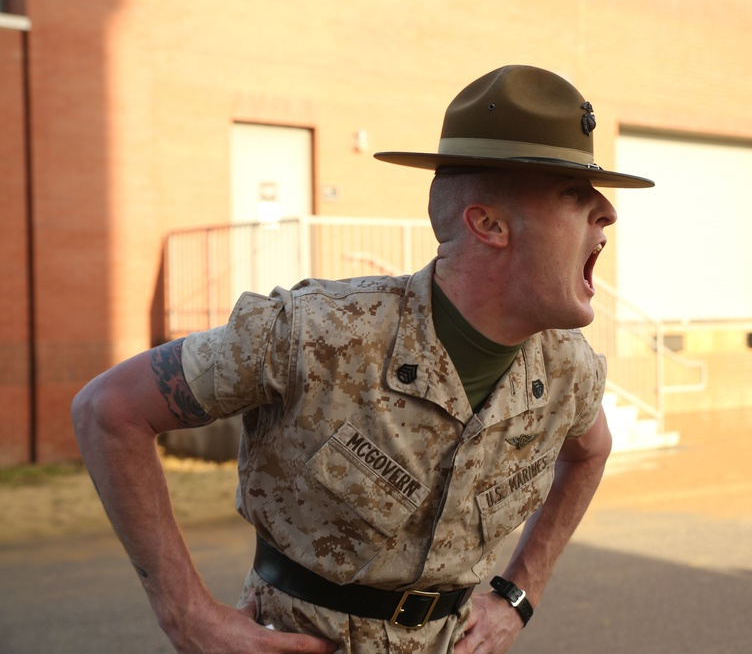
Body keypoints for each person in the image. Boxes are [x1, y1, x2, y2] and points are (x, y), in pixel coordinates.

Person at [72, 64, 654, 654]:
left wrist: (518, 596)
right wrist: (188, 616)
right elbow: (108, 411)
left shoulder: (566, 367)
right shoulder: (316, 333)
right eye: (574, 195)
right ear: (489, 224)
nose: (607, 213)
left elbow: (590, 453)